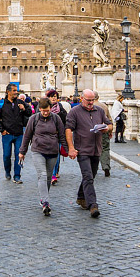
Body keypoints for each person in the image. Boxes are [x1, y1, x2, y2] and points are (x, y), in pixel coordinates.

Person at [65, 89, 112, 218]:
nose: (91, 103)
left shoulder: (100, 111)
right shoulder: (74, 112)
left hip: (96, 149)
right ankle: (93, 205)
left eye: (92, 100)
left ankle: (81, 197)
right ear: (82, 99)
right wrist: (71, 148)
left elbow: (110, 124)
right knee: (88, 176)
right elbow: (68, 129)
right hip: (82, 150)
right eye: (88, 100)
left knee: (91, 175)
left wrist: (106, 128)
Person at [19, 97, 66, 216]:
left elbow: (62, 135)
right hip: (38, 151)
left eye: (47, 110)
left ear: (50, 108)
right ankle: (46, 202)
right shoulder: (33, 119)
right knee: (42, 175)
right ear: (39, 109)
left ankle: (43, 197)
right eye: (43, 110)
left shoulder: (56, 118)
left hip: (53, 151)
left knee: (49, 178)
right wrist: (22, 151)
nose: (45, 113)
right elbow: (27, 136)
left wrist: (68, 149)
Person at [0, 84, 32, 184]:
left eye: (16, 90)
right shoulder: (2, 104)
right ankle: (7, 171)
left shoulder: (21, 102)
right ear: (8, 92)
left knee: (19, 155)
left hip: (19, 133)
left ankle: (17, 175)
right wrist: (1, 130)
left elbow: (30, 112)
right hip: (7, 134)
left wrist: (24, 109)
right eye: (14, 90)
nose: (16, 92)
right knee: (6, 155)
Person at [46, 89, 67, 185]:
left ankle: (53, 174)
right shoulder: (43, 107)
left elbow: (65, 121)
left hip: (57, 135)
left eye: (55, 96)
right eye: (52, 96)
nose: (54, 98)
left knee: (56, 155)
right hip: (46, 136)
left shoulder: (61, 108)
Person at [93, 90, 114, 177]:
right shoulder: (104, 106)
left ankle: (94, 168)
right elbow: (109, 120)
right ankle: (106, 167)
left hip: (93, 131)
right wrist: (110, 131)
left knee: (94, 149)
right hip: (104, 130)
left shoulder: (89, 106)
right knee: (105, 149)